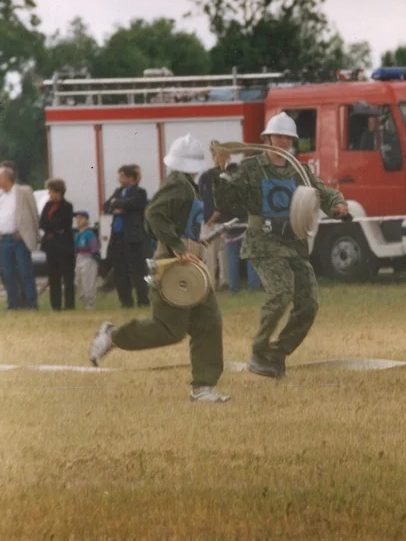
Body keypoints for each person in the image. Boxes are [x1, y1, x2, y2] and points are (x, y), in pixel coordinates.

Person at [89, 134, 230, 403]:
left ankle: (203, 388)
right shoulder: (178, 185)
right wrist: (178, 245)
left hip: (189, 264)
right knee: (169, 329)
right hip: (173, 265)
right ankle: (113, 336)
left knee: (209, 322)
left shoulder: (187, 184)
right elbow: (154, 215)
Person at [212, 112, 349, 379]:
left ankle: (276, 355)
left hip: (294, 243)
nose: (283, 141)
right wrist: (220, 171)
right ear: (268, 138)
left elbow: (322, 191)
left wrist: (337, 204)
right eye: (279, 136)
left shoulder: (300, 169)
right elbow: (225, 201)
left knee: (308, 304)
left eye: (288, 137)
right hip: (264, 243)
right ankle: (259, 351)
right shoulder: (250, 168)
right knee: (281, 293)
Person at [103, 165, 150, 308]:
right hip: (117, 236)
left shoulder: (140, 192)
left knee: (137, 270)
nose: (119, 179)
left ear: (131, 178)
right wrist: (119, 206)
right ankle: (126, 301)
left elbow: (135, 203)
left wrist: (119, 205)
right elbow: (106, 206)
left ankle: (143, 300)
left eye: (122, 176)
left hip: (132, 237)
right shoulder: (118, 191)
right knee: (120, 270)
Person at [0, 161, 39, 311]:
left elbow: (33, 213)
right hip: (4, 240)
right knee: (8, 274)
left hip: (19, 239)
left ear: (6, 178)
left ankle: (31, 303)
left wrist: (31, 233)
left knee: (25, 271)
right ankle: (13, 304)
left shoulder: (23, 192)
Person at [39, 178, 76, 311]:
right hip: (50, 245)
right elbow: (42, 222)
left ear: (58, 192)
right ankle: (55, 305)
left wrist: (52, 226)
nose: (49, 194)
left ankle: (69, 305)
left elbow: (62, 224)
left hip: (64, 245)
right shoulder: (48, 205)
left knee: (67, 276)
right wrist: (52, 227)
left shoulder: (67, 206)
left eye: (51, 191)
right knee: (53, 276)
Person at [198, 151, 229, 290]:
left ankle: (225, 280)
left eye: (224, 156)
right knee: (210, 252)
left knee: (224, 252)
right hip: (209, 221)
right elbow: (201, 197)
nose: (221, 159)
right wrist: (206, 218)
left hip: (225, 220)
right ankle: (211, 281)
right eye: (218, 156)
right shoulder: (206, 176)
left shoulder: (230, 174)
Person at [73, 210, 100, 310]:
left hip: (88, 259)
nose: (78, 220)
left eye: (81, 218)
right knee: (79, 283)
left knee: (88, 283)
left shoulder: (90, 234)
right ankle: (85, 303)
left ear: (86, 220)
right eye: (77, 218)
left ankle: (91, 304)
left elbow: (95, 250)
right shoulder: (77, 234)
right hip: (79, 259)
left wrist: (96, 261)